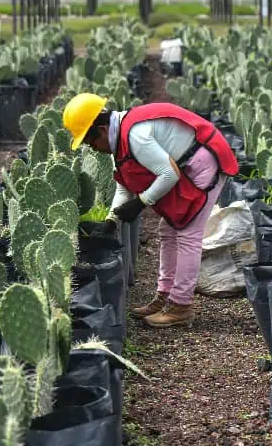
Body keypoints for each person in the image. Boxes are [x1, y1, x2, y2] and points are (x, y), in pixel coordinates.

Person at [63, 93, 239, 328]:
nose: (92, 149)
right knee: (168, 230)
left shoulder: (135, 136)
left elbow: (169, 173)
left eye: (89, 142)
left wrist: (141, 202)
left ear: (102, 130)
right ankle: (164, 296)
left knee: (187, 233)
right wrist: (112, 220)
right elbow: (124, 187)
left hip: (203, 163)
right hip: (187, 164)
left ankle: (181, 306)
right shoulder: (120, 138)